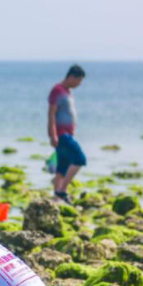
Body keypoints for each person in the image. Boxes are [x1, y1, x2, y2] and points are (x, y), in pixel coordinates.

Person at [48, 65, 86, 204]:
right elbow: (51, 113)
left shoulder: (67, 91)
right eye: (78, 81)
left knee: (62, 166)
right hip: (61, 134)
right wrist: (53, 135)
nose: (79, 84)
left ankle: (57, 200)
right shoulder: (57, 90)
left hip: (67, 133)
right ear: (71, 77)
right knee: (80, 159)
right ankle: (62, 190)